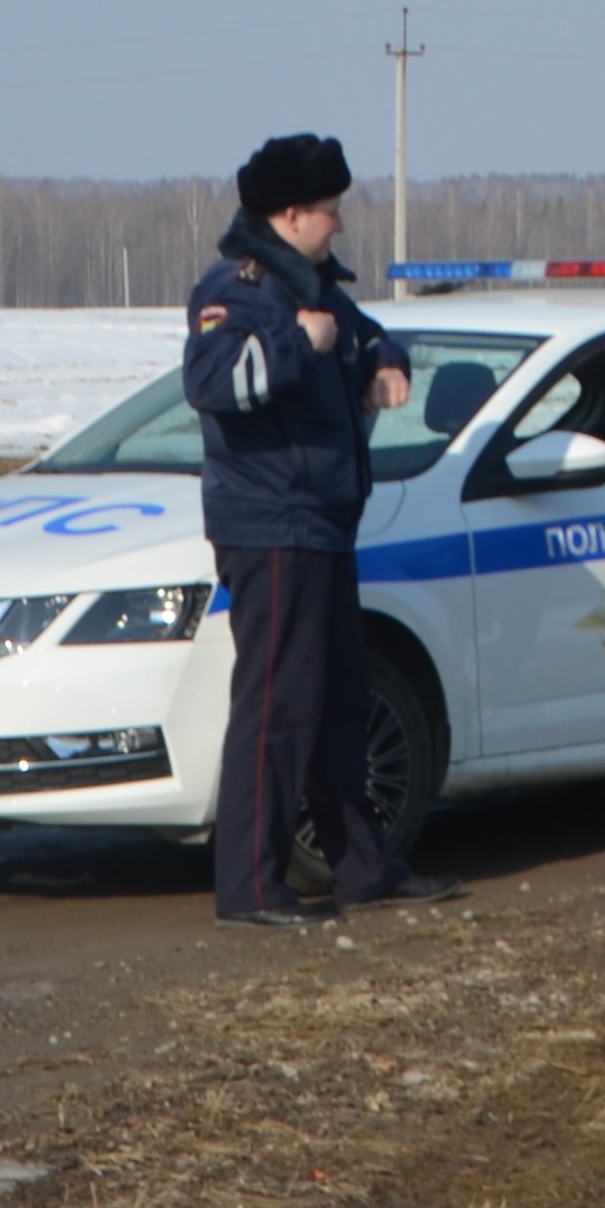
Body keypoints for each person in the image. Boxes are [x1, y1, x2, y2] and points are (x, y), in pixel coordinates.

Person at [182, 134, 456, 930]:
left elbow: (367, 333)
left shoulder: (314, 287)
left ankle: (362, 868)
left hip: (324, 523)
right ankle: (252, 887)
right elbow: (212, 383)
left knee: (339, 701)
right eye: (330, 212)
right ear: (291, 214)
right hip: (272, 525)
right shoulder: (240, 290)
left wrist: (385, 361)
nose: (340, 225)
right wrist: (302, 343)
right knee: (277, 709)